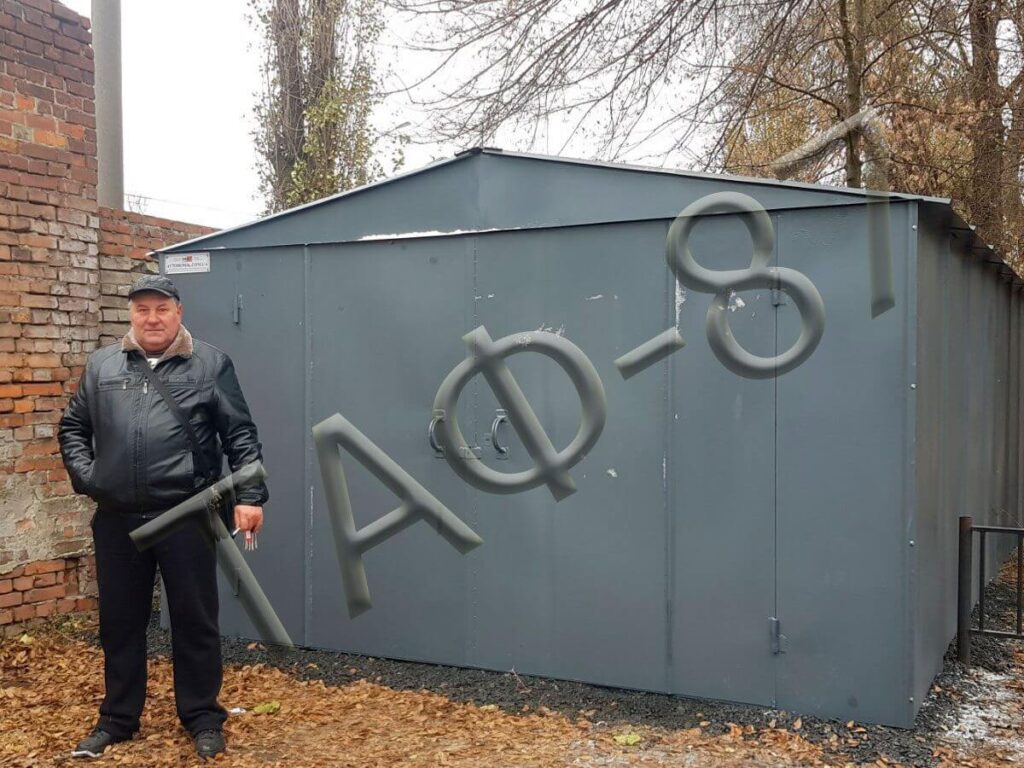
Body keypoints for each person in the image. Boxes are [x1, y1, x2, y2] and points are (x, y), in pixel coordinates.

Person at [57, 274, 269, 760]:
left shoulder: (211, 364)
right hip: (118, 518)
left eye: (161, 309)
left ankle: (202, 717)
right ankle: (117, 718)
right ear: (131, 314)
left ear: (178, 312)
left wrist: (250, 495)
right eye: (142, 309)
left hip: (186, 514)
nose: (151, 319)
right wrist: (90, 478)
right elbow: (73, 427)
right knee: (120, 622)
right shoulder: (102, 365)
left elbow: (240, 435)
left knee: (195, 621)